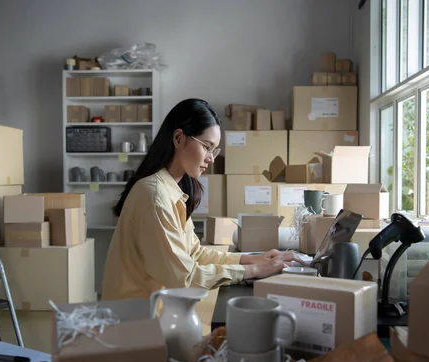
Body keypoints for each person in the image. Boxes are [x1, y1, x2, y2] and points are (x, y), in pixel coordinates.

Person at [101, 98, 305, 300]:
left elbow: (195, 254)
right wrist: (254, 270)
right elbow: (184, 278)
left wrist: (251, 259)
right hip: (135, 319)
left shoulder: (171, 189)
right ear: (179, 138)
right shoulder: (154, 195)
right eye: (207, 147)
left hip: (157, 308)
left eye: (214, 150)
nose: (211, 158)